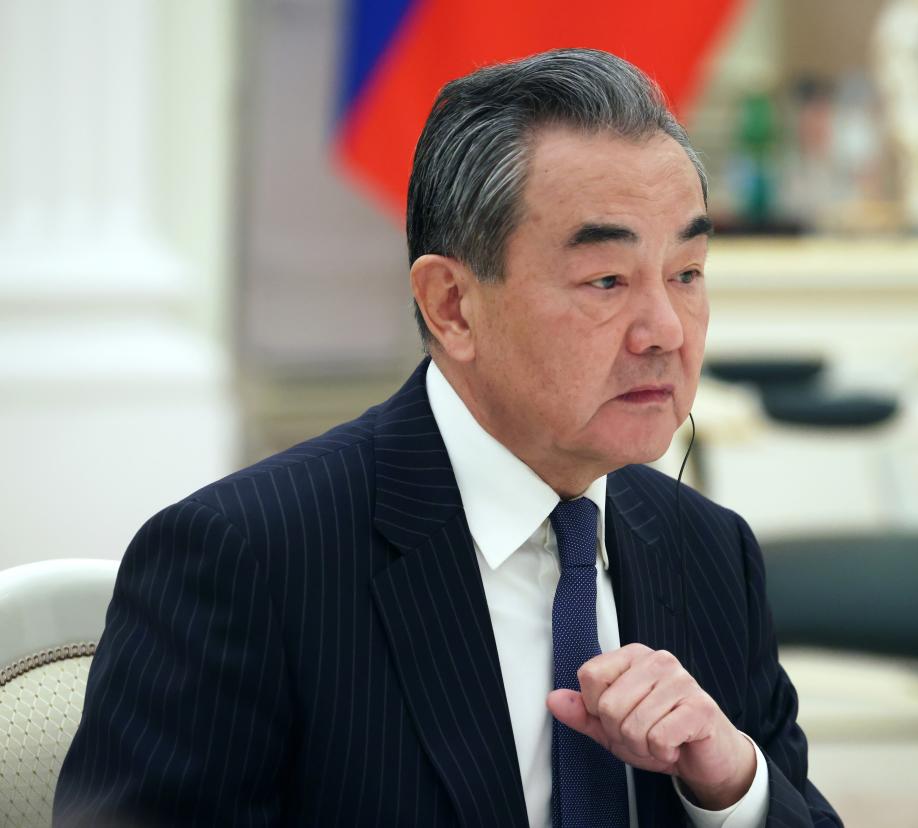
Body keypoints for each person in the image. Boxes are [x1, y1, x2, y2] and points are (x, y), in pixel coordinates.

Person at [54, 48, 841, 827]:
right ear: (452, 306)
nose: (665, 330)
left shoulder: (709, 553)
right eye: (606, 280)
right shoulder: (245, 560)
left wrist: (732, 788)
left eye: (688, 273)